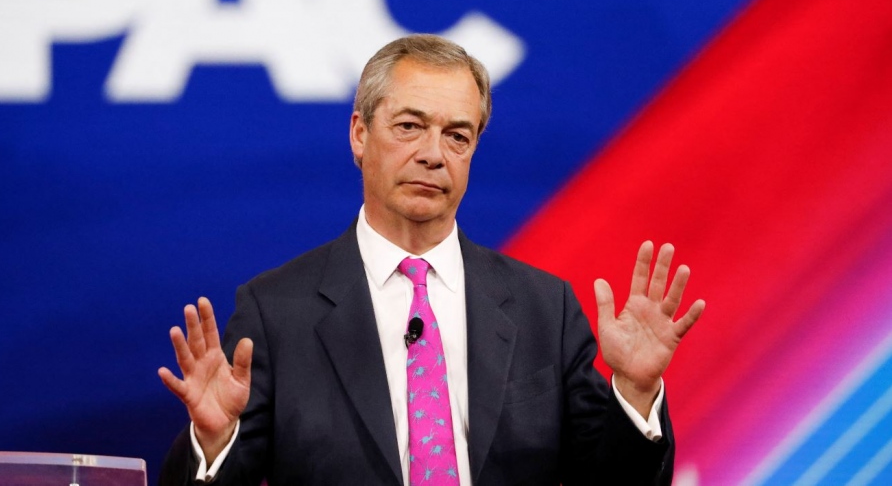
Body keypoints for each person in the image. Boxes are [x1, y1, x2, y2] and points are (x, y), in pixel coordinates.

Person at [158, 34, 705, 485]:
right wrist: (213, 442)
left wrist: (635, 393)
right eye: (409, 126)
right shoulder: (277, 311)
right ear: (359, 135)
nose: (433, 154)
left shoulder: (545, 308)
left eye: (457, 136)